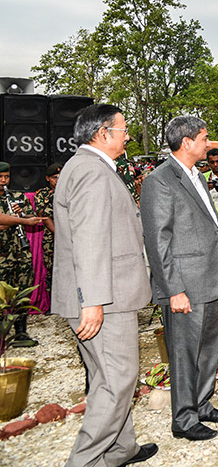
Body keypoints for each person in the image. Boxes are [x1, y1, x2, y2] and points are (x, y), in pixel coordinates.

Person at [52, 104, 157, 467]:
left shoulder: (85, 167)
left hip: (104, 295)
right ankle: (84, 461)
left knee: (107, 379)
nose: (127, 135)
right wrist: (93, 301)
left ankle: (120, 450)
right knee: (118, 380)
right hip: (105, 300)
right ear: (103, 133)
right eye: (123, 129)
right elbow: (90, 239)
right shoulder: (92, 172)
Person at [141, 116, 218, 441]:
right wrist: (174, 289)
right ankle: (183, 418)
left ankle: (202, 402)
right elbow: (158, 240)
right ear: (187, 143)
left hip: (208, 281)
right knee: (184, 353)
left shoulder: (196, 175)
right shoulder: (160, 180)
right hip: (185, 285)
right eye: (204, 138)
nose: (209, 144)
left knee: (208, 350)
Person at [0, 162, 46, 346]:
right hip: (2, 257)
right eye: (0, 177)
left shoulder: (17, 196)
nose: (4, 181)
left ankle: (20, 334)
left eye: (6, 177)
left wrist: (23, 216)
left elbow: (30, 217)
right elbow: (2, 223)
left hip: (20, 254)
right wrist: (19, 219)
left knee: (22, 293)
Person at [33, 162, 61, 300]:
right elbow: (44, 216)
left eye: (60, 176)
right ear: (47, 178)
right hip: (52, 239)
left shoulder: (71, 191)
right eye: (55, 177)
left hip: (73, 237)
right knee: (52, 270)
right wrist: (61, 235)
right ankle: (53, 302)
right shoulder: (42, 194)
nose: (58, 180)